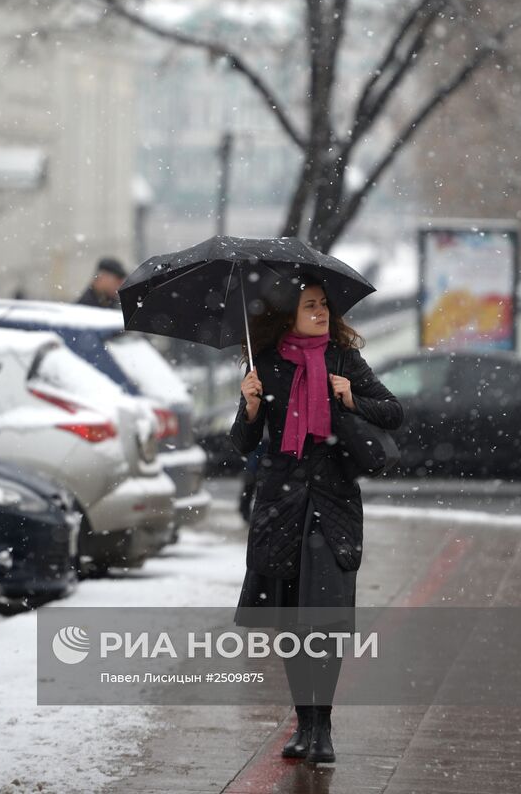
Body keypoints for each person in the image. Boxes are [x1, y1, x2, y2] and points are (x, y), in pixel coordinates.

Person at [230, 274, 403, 765]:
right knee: (290, 621)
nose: (322, 312)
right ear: (290, 314)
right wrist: (248, 406)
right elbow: (242, 444)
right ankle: (302, 724)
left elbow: (393, 412)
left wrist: (350, 398)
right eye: (311, 305)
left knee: (322, 621)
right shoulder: (263, 365)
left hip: (333, 505)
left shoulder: (344, 360)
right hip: (282, 507)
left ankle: (322, 728)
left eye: (324, 304)